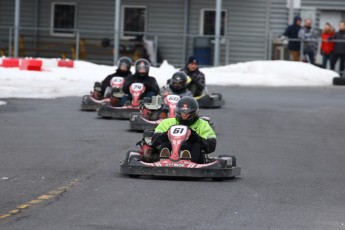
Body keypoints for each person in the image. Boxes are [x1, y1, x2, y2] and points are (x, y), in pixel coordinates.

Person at [151, 97, 216, 164]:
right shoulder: (167, 123)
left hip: (192, 153)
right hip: (171, 149)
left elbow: (211, 146)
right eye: (182, 112)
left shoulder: (203, 124)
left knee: (196, 145)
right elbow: (154, 141)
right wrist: (167, 134)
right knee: (165, 144)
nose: (185, 115)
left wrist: (195, 137)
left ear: (194, 112)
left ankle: (188, 160)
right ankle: (165, 159)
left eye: (188, 113)